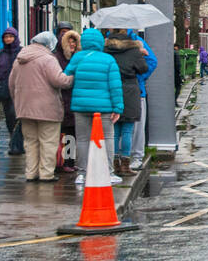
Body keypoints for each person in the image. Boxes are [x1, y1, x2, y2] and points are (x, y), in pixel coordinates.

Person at [8, 31, 74, 182]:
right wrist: (71, 77)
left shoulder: (19, 59)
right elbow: (59, 81)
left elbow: (11, 84)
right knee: (48, 142)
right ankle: (46, 174)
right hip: (47, 109)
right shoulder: (48, 59)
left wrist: (18, 102)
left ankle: (31, 173)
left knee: (30, 142)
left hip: (24, 108)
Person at [63, 27, 124, 186]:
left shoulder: (77, 58)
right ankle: (109, 172)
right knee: (108, 139)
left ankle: (82, 174)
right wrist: (118, 107)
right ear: (100, 42)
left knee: (82, 140)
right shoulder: (109, 59)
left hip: (81, 106)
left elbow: (66, 76)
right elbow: (115, 86)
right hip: (104, 107)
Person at [104, 28, 151, 179]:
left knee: (115, 130)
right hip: (130, 91)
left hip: (112, 91)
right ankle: (125, 164)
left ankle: (115, 163)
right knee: (127, 130)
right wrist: (141, 53)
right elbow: (143, 68)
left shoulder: (107, 50)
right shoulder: (133, 50)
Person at [127, 29, 158, 172]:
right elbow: (151, 61)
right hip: (136, 90)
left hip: (129, 90)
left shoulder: (108, 43)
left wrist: (138, 77)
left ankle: (127, 157)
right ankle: (133, 157)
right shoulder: (136, 41)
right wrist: (139, 78)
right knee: (134, 127)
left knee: (126, 128)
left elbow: (151, 61)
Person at [0, 26, 25, 156]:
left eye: (11, 36)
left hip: (19, 89)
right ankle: (14, 139)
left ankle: (18, 143)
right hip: (5, 90)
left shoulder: (22, 52)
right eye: (6, 37)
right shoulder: (0, 53)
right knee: (9, 117)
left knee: (18, 116)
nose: (8, 39)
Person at [55, 29, 82, 171]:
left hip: (74, 99)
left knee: (71, 133)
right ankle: (61, 161)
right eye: (69, 41)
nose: (72, 44)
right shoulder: (57, 58)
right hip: (61, 99)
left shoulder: (77, 57)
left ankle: (69, 162)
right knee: (62, 132)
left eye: (74, 41)